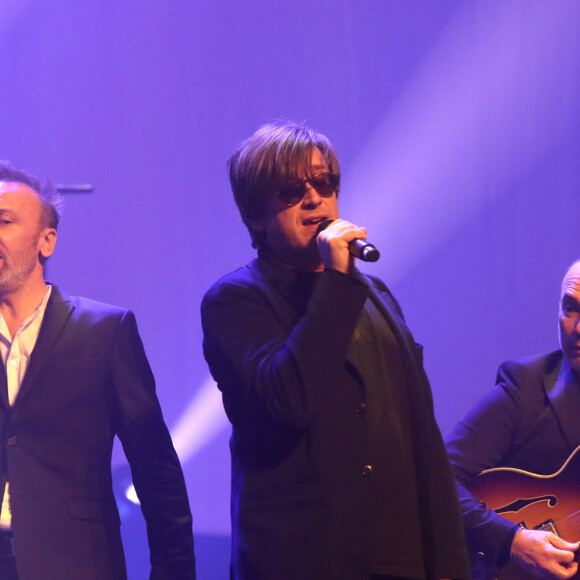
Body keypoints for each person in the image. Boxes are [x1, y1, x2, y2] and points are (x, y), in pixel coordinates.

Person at [200, 121, 470, 580]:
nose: (314, 198)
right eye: (290, 189)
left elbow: (418, 431)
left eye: (323, 183)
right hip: (311, 558)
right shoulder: (237, 300)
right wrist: (337, 279)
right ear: (256, 216)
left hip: (403, 555)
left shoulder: (375, 295)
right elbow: (290, 398)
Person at [0, 161, 196, 580]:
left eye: (4, 221)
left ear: (45, 241)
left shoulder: (104, 331)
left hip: (76, 562)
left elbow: (156, 469)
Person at [446, 260, 580, 580]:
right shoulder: (525, 385)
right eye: (570, 308)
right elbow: (438, 479)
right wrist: (514, 542)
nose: (578, 329)